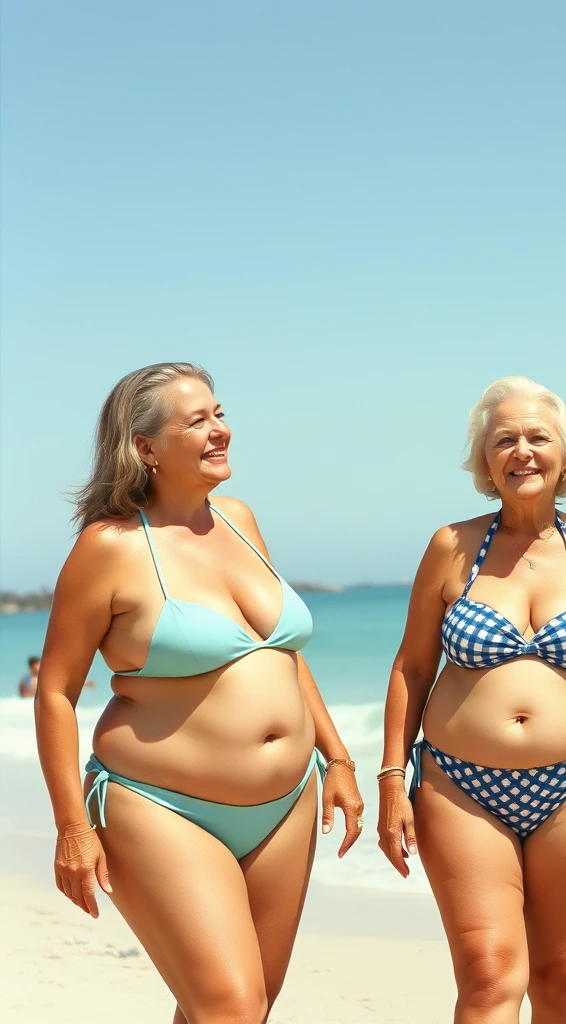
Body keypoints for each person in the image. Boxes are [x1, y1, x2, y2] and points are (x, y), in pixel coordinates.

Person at [34, 362, 365, 1024]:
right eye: (199, 420)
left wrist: (338, 759)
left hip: (286, 804)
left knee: (243, 1008)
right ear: (146, 448)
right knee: (230, 1007)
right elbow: (56, 693)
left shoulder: (239, 519)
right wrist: (72, 826)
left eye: (220, 414)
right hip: (160, 806)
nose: (222, 431)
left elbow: (278, 653)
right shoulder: (110, 547)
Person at [376, 376, 566, 1024]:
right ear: (485, 460)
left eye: (538, 437)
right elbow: (413, 666)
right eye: (505, 439)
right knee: (488, 978)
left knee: (562, 981)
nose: (522, 451)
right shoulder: (450, 546)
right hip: (459, 786)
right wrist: (393, 777)